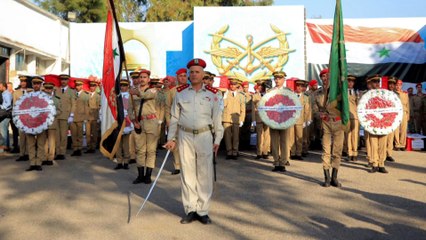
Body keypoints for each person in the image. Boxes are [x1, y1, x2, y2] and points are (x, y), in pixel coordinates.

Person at [164, 58, 224, 225]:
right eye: (192, 72)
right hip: (185, 136)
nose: (194, 74)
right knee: (187, 172)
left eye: (197, 72)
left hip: (205, 136)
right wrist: (171, 138)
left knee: (204, 173)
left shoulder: (213, 94)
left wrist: (217, 139)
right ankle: (190, 209)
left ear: (203, 74)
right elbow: (174, 117)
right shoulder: (180, 93)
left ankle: (203, 210)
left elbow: (217, 119)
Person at [314, 68, 344, 187]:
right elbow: (314, 109)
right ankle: (326, 177)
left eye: (328, 77)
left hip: (338, 123)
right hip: (325, 124)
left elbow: (344, 107)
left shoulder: (338, 93)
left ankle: (334, 177)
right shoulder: (318, 94)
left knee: (337, 151)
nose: (325, 79)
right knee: (326, 151)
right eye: (323, 77)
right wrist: (319, 114)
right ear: (321, 78)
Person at [130, 69, 160, 184]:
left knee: (151, 150)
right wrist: (134, 120)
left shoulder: (152, 90)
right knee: (140, 150)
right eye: (140, 77)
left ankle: (148, 175)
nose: (142, 79)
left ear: (148, 79)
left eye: (144, 77)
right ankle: (140, 175)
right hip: (139, 123)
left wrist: (135, 92)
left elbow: (145, 96)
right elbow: (130, 109)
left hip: (151, 122)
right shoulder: (134, 92)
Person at [269, 71, 291, 172]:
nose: (277, 80)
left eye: (279, 78)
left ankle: (282, 163)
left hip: (285, 120)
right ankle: (276, 162)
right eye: (276, 78)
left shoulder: (288, 91)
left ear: (283, 80)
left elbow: (292, 105)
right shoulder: (270, 91)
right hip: (273, 119)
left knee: (284, 141)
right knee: (274, 142)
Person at [366, 75, 389, 173]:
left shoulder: (384, 94)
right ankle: (375, 164)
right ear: (371, 83)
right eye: (374, 82)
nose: (376, 84)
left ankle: (381, 164)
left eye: (377, 82)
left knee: (383, 144)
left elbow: (389, 106)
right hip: (373, 122)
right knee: (374, 144)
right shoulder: (367, 95)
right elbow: (364, 108)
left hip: (383, 122)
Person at [25, 76, 47, 171]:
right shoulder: (27, 95)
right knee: (31, 144)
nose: (36, 85)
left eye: (38, 84)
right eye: (35, 84)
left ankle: (39, 163)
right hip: (30, 123)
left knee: (40, 143)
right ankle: (32, 162)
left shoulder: (45, 96)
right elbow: (24, 108)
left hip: (41, 123)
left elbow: (48, 109)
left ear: (41, 85)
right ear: (32, 85)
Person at [222, 78, 246, 159]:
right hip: (226, 118)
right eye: (231, 84)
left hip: (236, 118)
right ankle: (229, 152)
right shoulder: (226, 94)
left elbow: (243, 109)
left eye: (234, 84)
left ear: (237, 85)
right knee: (227, 136)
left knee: (236, 136)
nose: (232, 86)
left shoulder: (241, 95)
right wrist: (224, 97)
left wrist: (242, 119)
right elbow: (223, 105)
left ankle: (235, 152)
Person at [54, 74, 76, 160]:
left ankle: (62, 153)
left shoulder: (71, 91)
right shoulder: (56, 90)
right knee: (57, 135)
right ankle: (57, 151)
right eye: (62, 80)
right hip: (56, 115)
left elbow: (73, 104)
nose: (63, 81)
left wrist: (71, 115)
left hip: (65, 116)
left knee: (63, 135)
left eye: (65, 80)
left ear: (68, 81)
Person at [289, 79, 311, 160]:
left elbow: (307, 110)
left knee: (299, 137)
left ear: (302, 88)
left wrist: (307, 120)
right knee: (291, 137)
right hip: (291, 120)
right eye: (297, 86)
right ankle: (293, 152)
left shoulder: (305, 98)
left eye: (301, 86)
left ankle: (299, 153)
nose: (299, 88)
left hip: (300, 120)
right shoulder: (291, 96)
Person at [114, 79, 133, 170]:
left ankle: (126, 161)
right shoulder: (116, 96)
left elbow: (133, 109)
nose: (122, 87)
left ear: (127, 86)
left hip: (127, 121)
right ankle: (119, 161)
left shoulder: (130, 96)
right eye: (121, 86)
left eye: (124, 86)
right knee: (118, 143)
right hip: (118, 121)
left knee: (126, 143)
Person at [14, 75, 33, 161]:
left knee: (29, 137)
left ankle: (29, 154)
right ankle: (22, 154)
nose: (23, 83)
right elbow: (14, 105)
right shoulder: (16, 92)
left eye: (24, 81)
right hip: (20, 118)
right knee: (21, 137)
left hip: (29, 117)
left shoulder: (31, 92)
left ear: (26, 83)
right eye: (21, 82)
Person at [42, 81, 61, 166]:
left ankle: (50, 158)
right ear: (44, 89)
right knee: (43, 141)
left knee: (51, 141)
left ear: (52, 89)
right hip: (42, 122)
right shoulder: (41, 98)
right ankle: (44, 157)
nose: (48, 90)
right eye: (47, 88)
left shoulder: (56, 99)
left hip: (52, 122)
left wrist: (53, 112)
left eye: (50, 88)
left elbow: (60, 110)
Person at [70, 79, 89, 156]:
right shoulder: (72, 93)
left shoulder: (85, 95)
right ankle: (75, 149)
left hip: (80, 117)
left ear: (82, 86)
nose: (77, 87)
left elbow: (86, 107)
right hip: (72, 117)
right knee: (73, 134)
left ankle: (79, 149)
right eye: (76, 85)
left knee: (80, 134)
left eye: (79, 85)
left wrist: (86, 117)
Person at [251, 82, 270, 159]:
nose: (261, 88)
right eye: (259, 86)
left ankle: (265, 152)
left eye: (262, 86)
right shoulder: (255, 96)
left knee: (267, 136)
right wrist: (253, 120)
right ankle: (259, 152)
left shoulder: (269, 95)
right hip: (258, 117)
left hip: (268, 118)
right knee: (259, 136)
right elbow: (253, 108)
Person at [344, 75, 359, 161]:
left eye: (352, 82)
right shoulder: (343, 92)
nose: (350, 83)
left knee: (355, 135)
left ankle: (355, 152)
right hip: (346, 116)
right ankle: (349, 152)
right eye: (348, 81)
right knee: (348, 135)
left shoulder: (357, 92)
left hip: (355, 116)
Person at [394, 79, 410, 151]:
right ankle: (397, 144)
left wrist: (408, 115)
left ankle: (402, 144)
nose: (398, 86)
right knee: (396, 129)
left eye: (399, 85)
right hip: (396, 112)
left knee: (404, 129)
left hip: (404, 112)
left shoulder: (405, 93)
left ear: (401, 85)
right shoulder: (393, 93)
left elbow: (408, 105)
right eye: (397, 85)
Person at [85, 81, 101, 153]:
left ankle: (93, 147)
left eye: (93, 86)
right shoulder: (87, 95)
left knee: (94, 133)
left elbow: (99, 106)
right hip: (87, 116)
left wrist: (97, 116)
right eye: (91, 86)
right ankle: (88, 147)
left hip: (94, 116)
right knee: (88, 133)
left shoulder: (98, 96)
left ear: (95, 87)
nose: (92, 87)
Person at [385, 77, 397, 162]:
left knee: (391, 137)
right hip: (385, 118)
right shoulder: (384, 93)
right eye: (390, 84)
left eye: (393, 84)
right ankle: (383, 154)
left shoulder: (397, 95)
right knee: (385, 137)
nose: (391, 85)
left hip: (393, 118)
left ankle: (389, 153)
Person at [0, 82, 12, 152]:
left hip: (5, 114)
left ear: (4, 87)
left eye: (0, 86)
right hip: (5, 114)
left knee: (3, 130)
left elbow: (8, 104)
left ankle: (4, 147)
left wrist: (1, 106)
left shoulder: (7, 94)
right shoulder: (4, 93)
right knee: (5, 131)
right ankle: (6, 146)